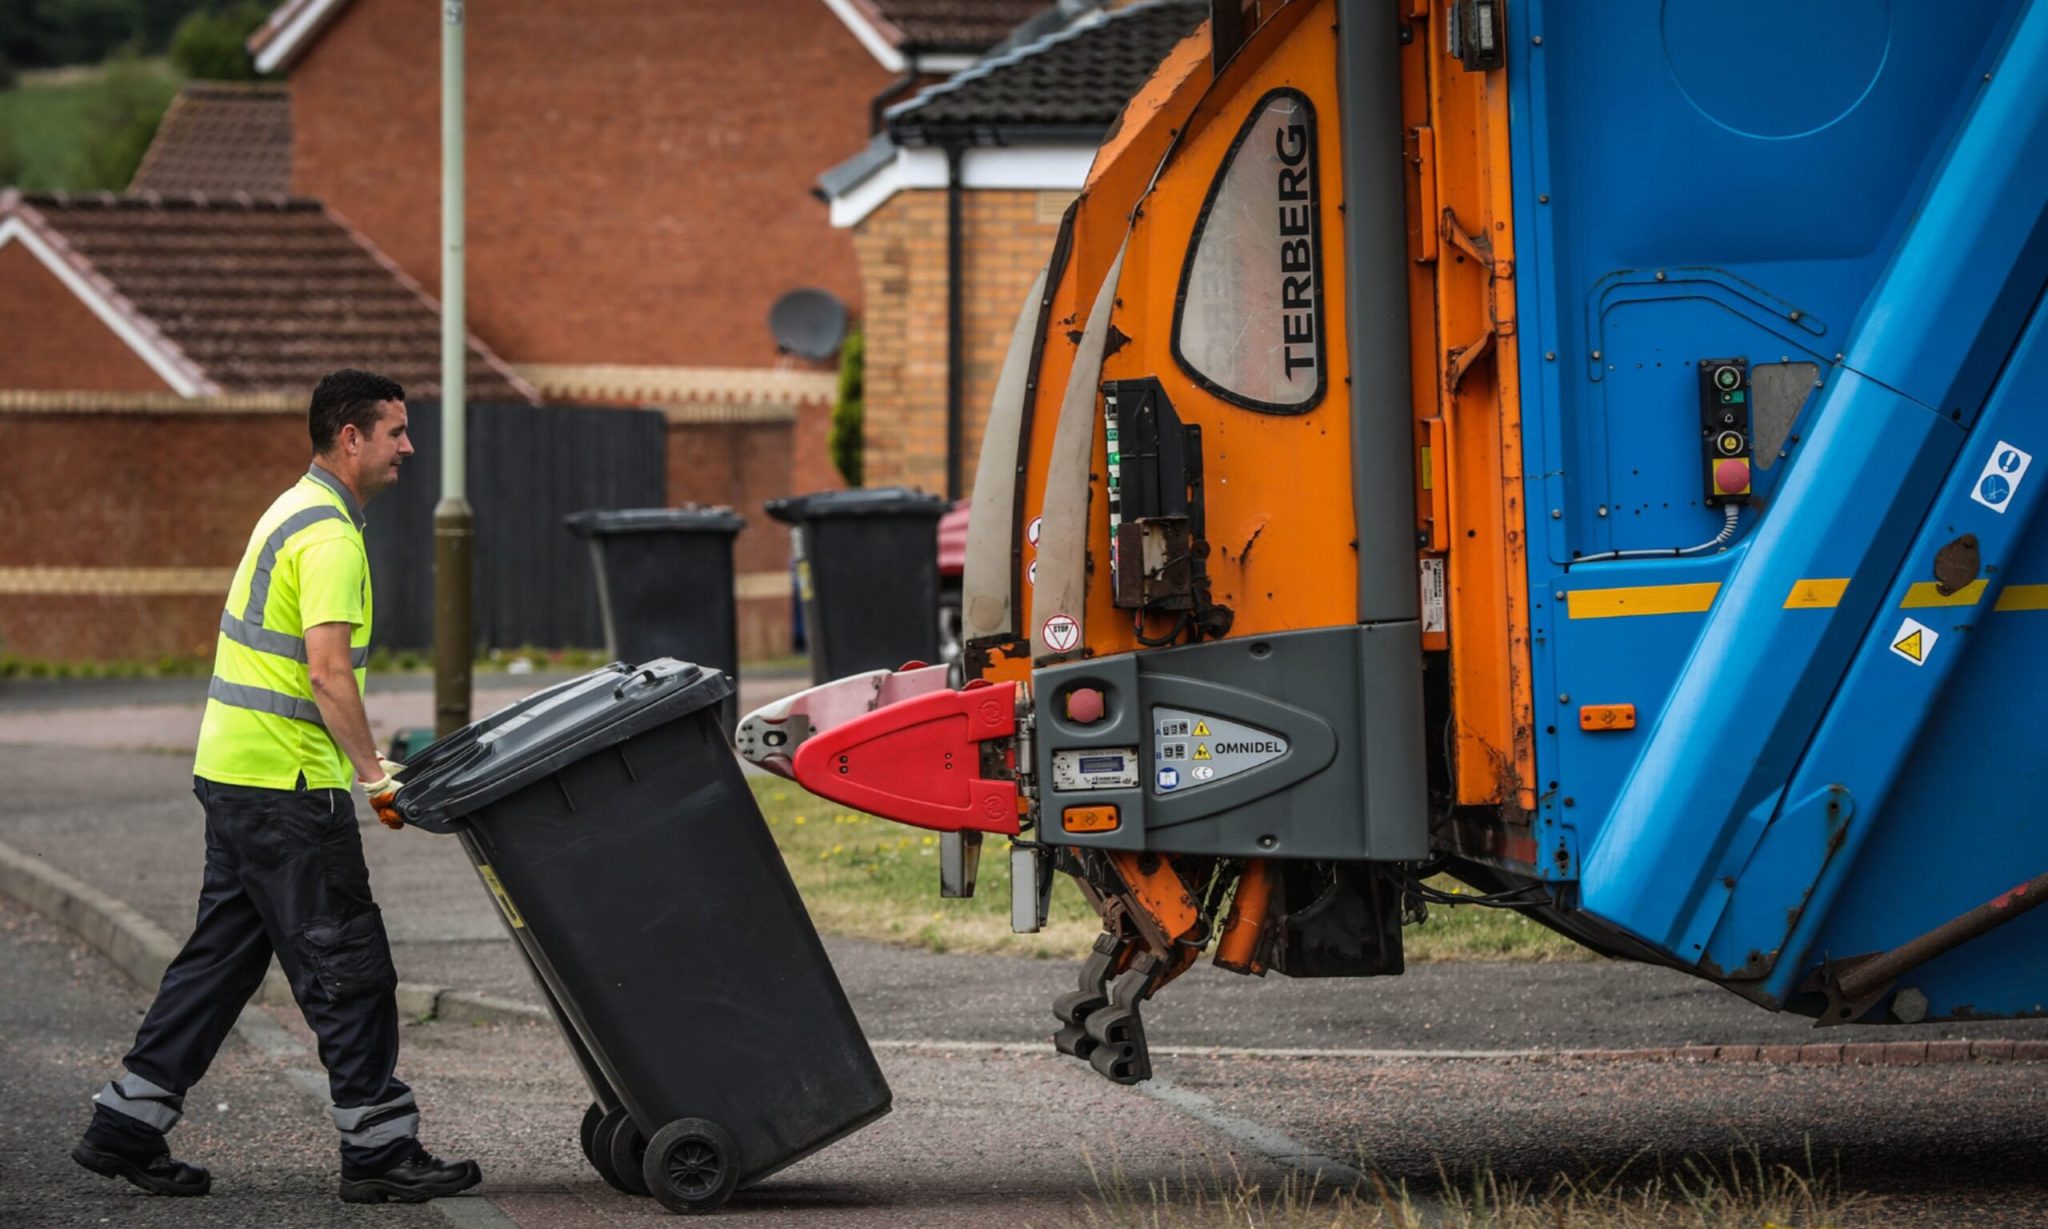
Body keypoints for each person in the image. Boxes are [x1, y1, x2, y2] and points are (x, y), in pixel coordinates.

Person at [72, 369, 481, 1204]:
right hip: (289, 786)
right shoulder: (330, 535)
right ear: (350, 437)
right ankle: (379, 1147)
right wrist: (377, 778)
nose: (408, 446)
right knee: (350, 967)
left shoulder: (290, 508)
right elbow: (328, 675)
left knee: (220, 963)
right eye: (395, 431)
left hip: (237, 773)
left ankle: (127, 1123)